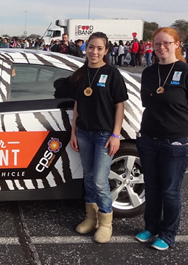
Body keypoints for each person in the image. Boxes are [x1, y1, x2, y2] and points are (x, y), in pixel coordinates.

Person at [134, 27, 188, 251]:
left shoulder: (187, 72)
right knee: (152, 187)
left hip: (176, 141)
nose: (161, 47)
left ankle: (168, 234)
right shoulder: (149, 72)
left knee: (170, 190)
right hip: (149, 137)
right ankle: (151, 226)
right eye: (157, 44)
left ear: (176, 44)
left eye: (166, 43)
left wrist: (176, 120)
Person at [69, 32, 128, 244]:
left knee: (100, 181)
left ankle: (105, 223)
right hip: (84, 132)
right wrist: (74, 132)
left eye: (99, 48)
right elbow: (77, 105)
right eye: (91, 47)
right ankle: (91, 218)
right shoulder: (81, 73)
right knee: (88, 177)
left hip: (104, 134)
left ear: (106, 50)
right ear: (86, 48)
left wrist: (115, 135)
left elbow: (119, 106)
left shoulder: (112, 74)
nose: (94, 52)